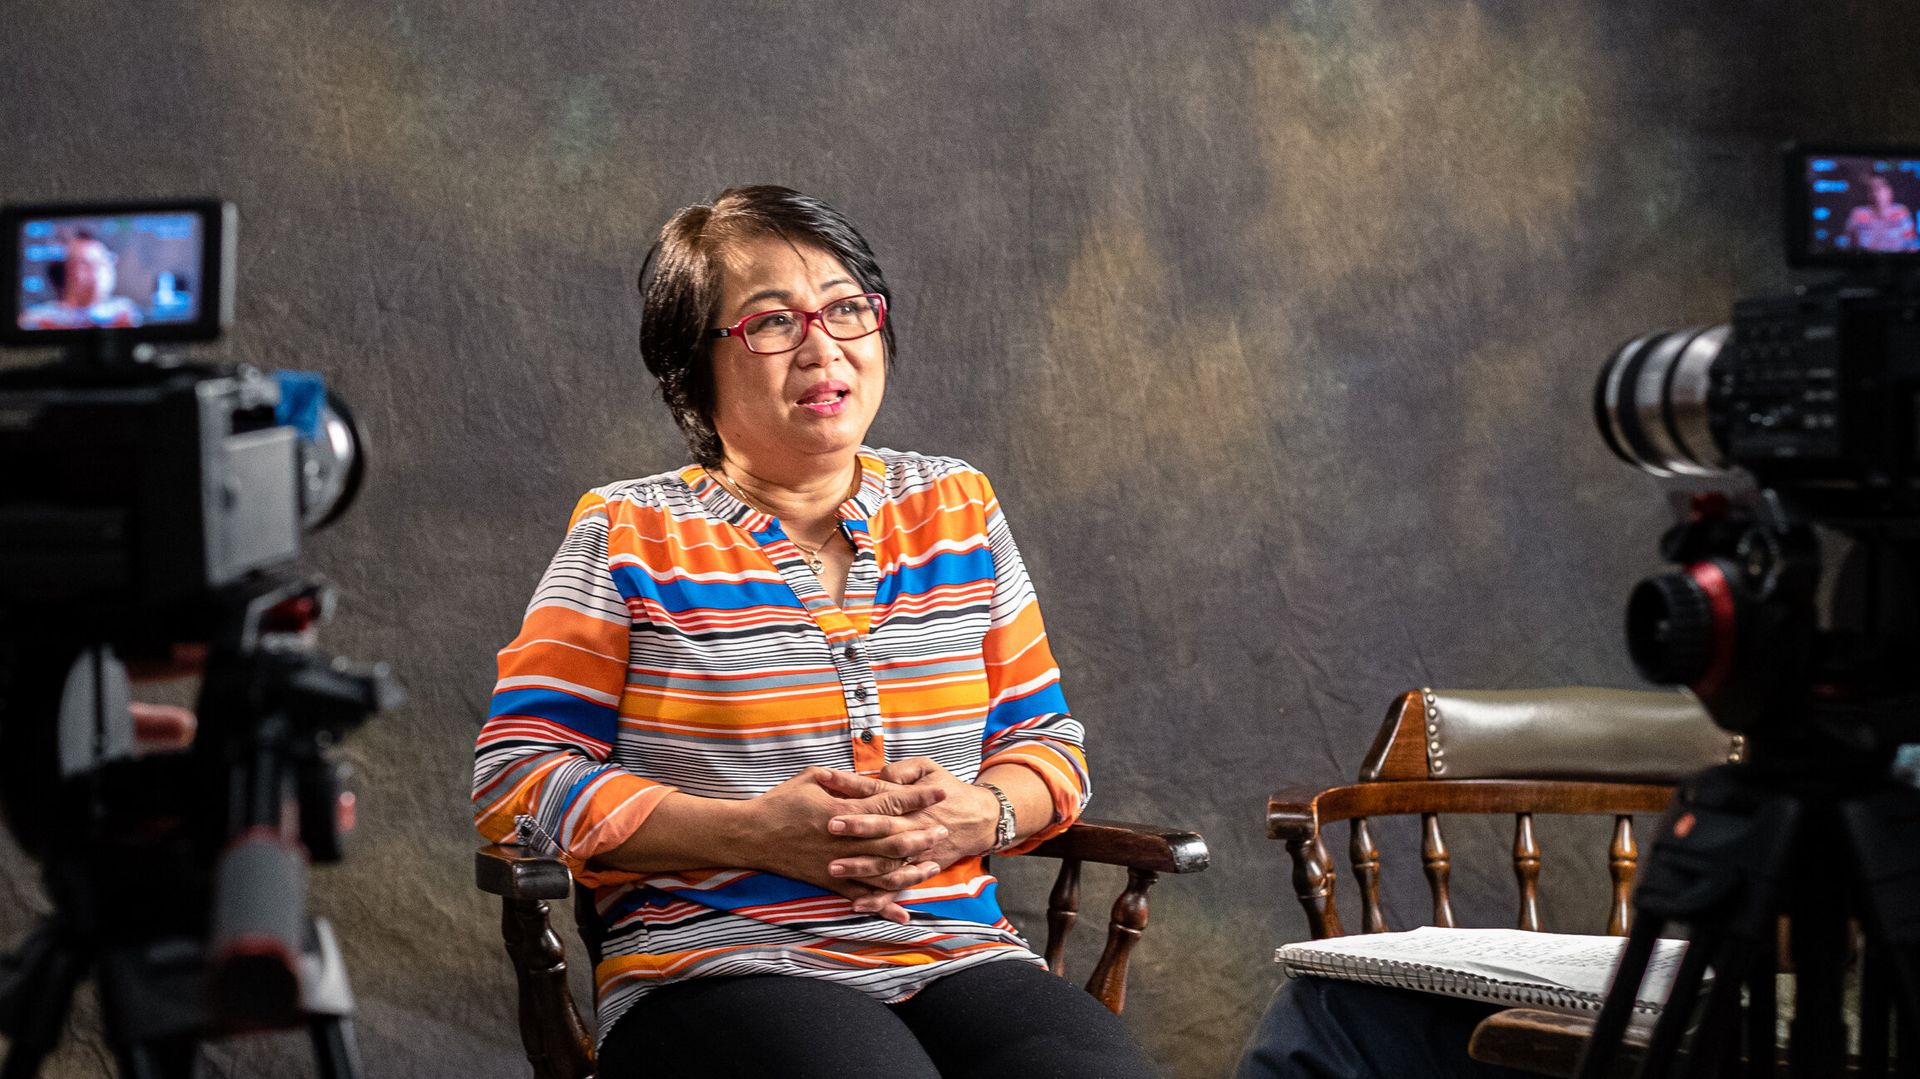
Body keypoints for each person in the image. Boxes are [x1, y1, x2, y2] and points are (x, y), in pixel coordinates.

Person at [472, 185, 1158, 1077]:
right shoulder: (627, 532)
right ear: (693, 362)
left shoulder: (956, 507)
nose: (822, 346)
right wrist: (751, 834)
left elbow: (1046, 744)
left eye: (845, 309)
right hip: (713, 965)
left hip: (959, 953)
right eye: (770, 323)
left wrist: (978, 814)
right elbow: (516, 778)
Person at [18, 232, 142, 330]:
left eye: (103, 262)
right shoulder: (38, 318)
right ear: (66, 271)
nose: (99, 272)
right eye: (86, 264)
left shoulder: (124, 312)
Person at [1842, 173, 1917, 253]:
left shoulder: (1901, 212)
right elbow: (1846, 244)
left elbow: (1912, 243)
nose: (1876, 194)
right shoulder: (1858, 214)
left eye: (1879, 188)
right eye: (1871, 189)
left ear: (1889, 191)